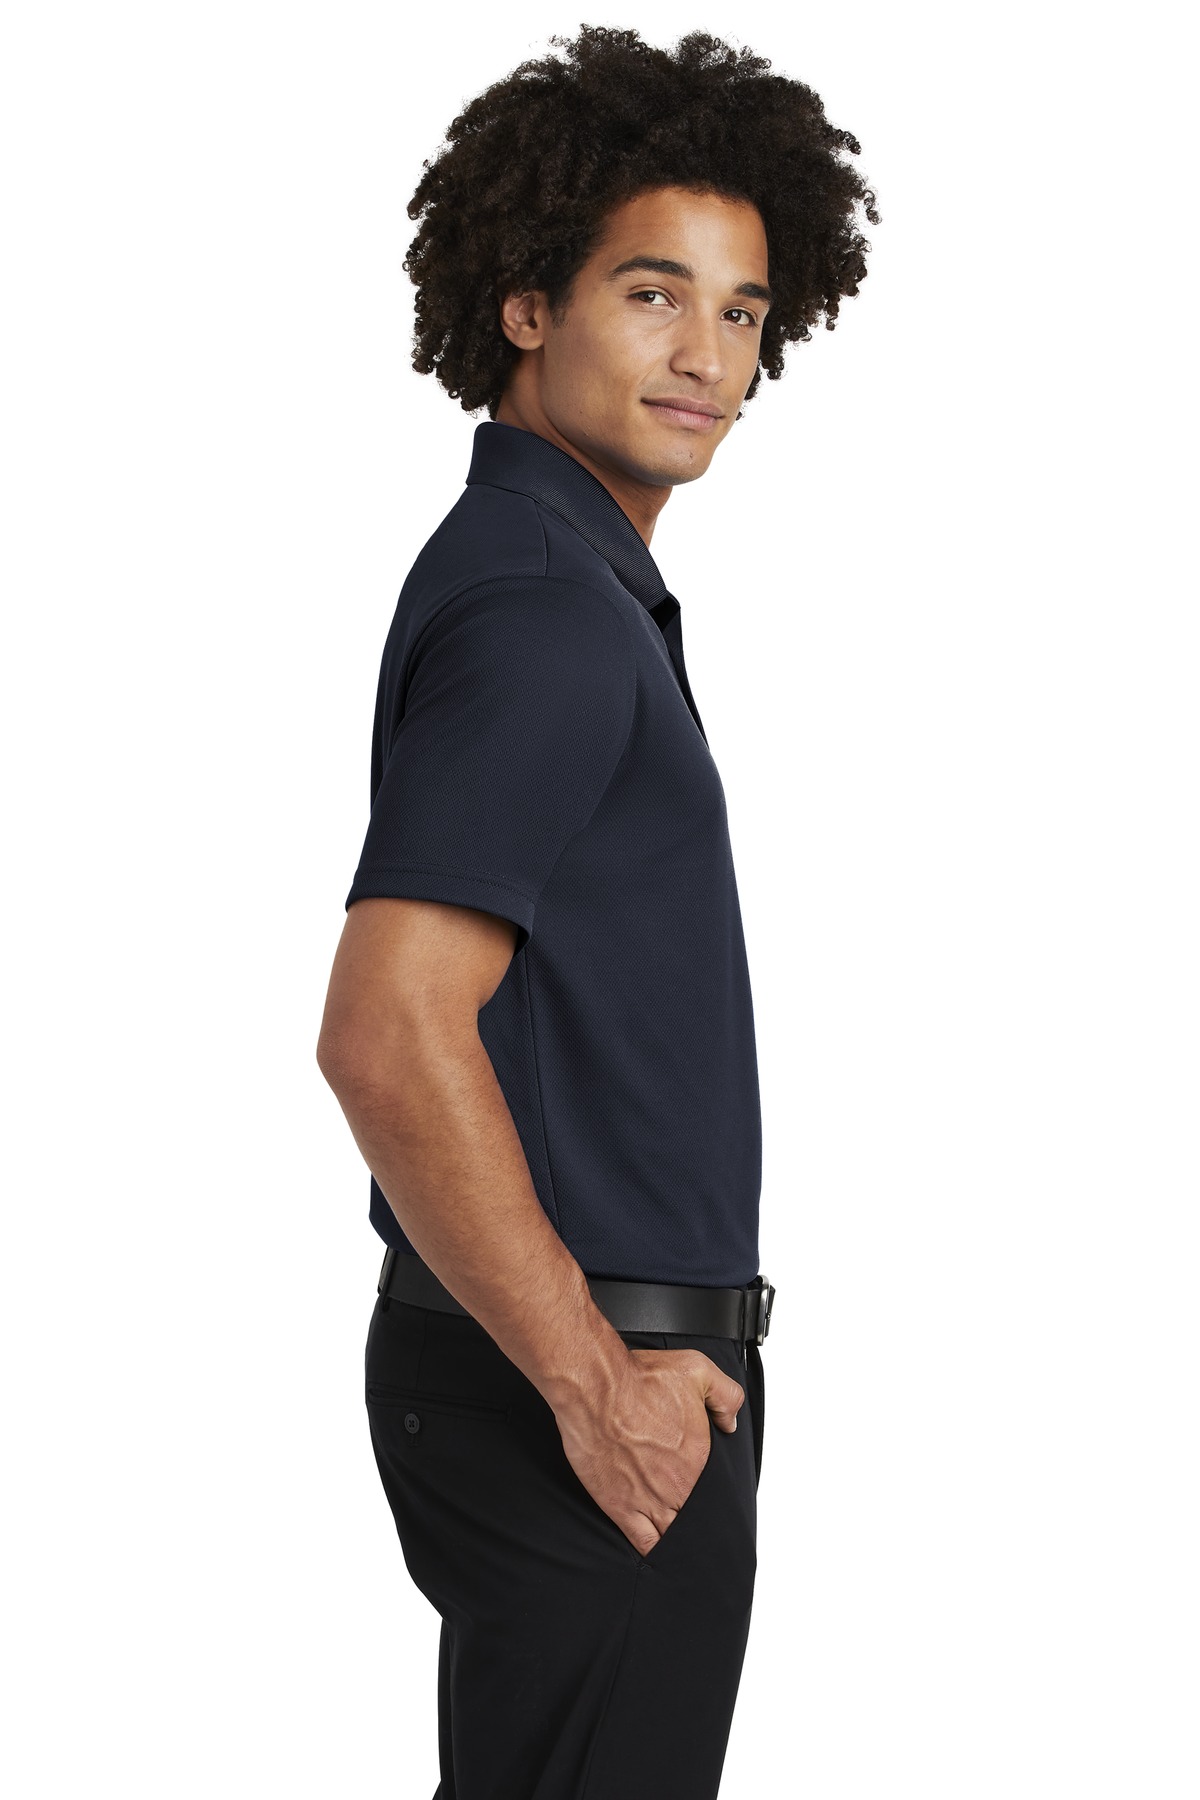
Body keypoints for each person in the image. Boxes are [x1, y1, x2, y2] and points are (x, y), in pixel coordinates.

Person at [316, 25, 877, 1798]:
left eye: (743, 312)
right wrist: (594, 1385)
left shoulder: (545, 576)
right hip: (582, 1393)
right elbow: (384, 1028)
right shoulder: (547, 617)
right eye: (653, 295)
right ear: (524, 302)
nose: (709, 356)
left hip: (550, 1372)